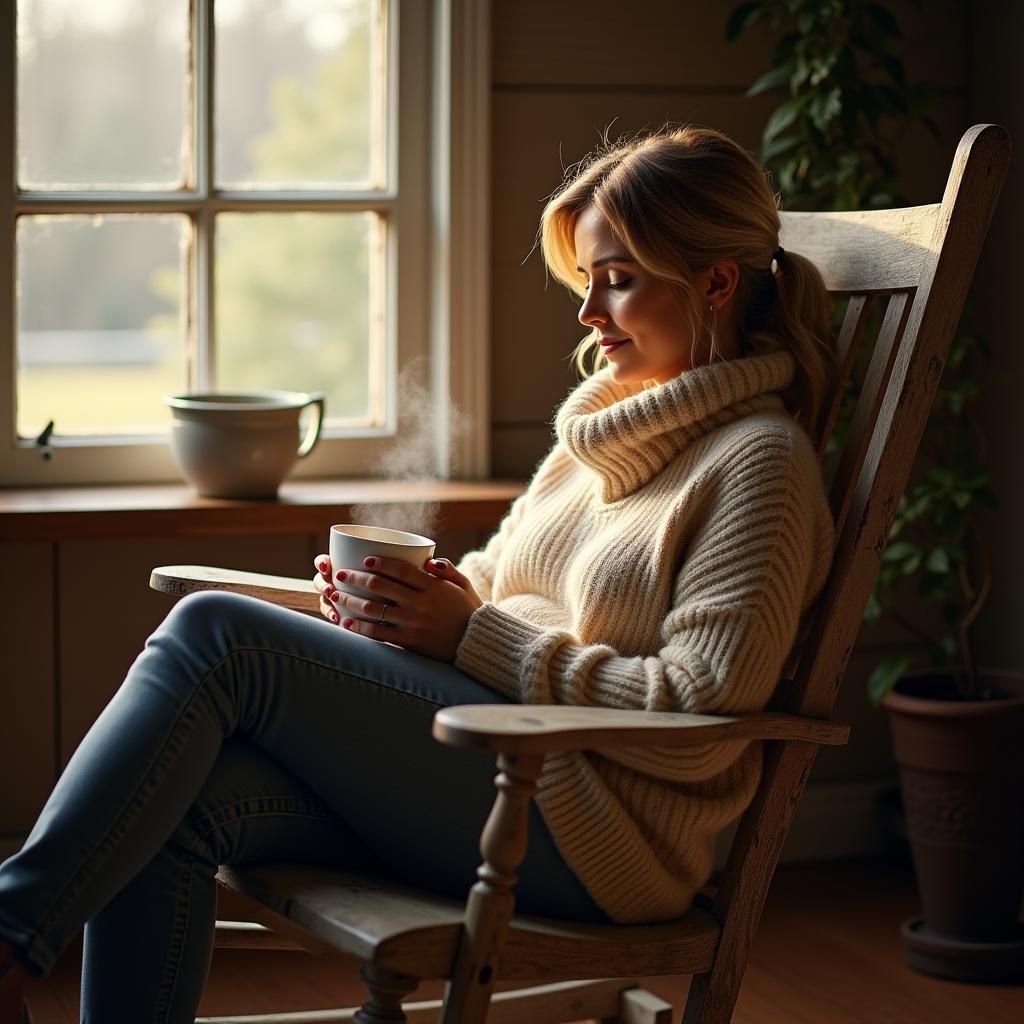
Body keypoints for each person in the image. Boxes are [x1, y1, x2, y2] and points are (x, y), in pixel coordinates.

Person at [0, 124, 835, 1023]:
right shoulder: (602, 431)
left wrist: (472, 636)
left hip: (598, 834)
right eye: (588, 280)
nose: (588, 311)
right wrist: (391, 610)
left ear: (715, 283)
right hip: (487, 766)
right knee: (167, 805)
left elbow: (701, 717)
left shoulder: (761, 463)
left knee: (217, 631)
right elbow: (491, 583)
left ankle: (7, 937)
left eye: (618, 279)